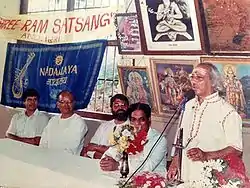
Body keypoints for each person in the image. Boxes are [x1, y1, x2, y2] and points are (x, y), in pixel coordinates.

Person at [167, 63, 243, 182]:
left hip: (210, 177)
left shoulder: (227, 112)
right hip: (185, 173)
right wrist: (175, 161)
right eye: (192, 77)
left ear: (213, 82)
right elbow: (181, 139)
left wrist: (207, 155)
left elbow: (236, 149)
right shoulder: (188, 105)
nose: (193, 81)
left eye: (199, 78)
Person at [100, 103, 167, 176]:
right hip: (126, 176)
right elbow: (111, 152)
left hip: (153, 180)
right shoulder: (126, 134)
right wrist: (106, 160)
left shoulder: (159, 140)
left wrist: (118, 165)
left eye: (142, 120)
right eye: (133, 120)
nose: (137, 124)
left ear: (149, 120)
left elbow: (147, 167)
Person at [39, 90, 88, 155]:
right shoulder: (53, 120)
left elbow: (71, 149)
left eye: (69, 102)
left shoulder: (79, 122)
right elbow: (43, 143)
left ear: (74, 104)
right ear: (57, 104)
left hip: (68, 160)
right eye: (62, 102)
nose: (66, 105)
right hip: (47, 157)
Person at [82, 94, 129, 159]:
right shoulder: (104, 126)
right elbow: (90, 148)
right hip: (95, 162)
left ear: (128, 107)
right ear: (111, 108)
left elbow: (120, 155)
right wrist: (99, 155)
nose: (120, 108)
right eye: (116, 105)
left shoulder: (132, 127)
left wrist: (97, 148)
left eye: (123, 105)